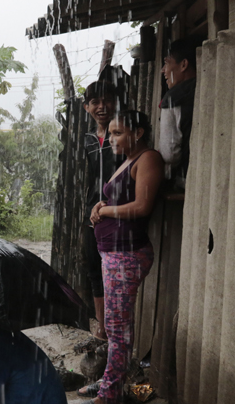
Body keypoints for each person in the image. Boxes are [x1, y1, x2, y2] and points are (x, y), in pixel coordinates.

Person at [76, 110, 164, 404]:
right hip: (113, 253)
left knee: (117, 328)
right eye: (110, 133)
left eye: (117, 133)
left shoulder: (148, 158)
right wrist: (99, 205)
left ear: (137, 133)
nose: (111, 138)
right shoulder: (127, 159)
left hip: (127, 255)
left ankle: (109, 395)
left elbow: (141, 206)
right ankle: (112, 384)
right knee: (115, 326)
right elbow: (119, 197)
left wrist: (105, 210)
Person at [77, 81, 124, 351]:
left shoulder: (123, 134)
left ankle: (117, 334)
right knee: (94, 269)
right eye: (95, 102)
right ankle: (102, 331)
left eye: (107, 100)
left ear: (116, 103)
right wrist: (89, 209)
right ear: (87, 107)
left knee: (115, 274)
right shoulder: (87, 140)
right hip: (91, 215)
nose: (101, 106)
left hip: (119, 213)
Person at [158, 36, 202, 190]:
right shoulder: (209, 87)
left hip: (188, 179)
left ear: (183, 64)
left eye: (167, 63)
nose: (163, 70)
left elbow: (170, 154)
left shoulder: (173, 98)